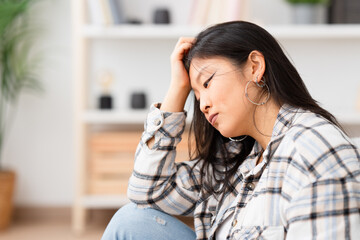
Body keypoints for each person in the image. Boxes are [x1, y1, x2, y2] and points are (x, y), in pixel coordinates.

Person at [101, 21, 360, 240]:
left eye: (208, 82)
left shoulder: (313, 151)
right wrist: (177, 90)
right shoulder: (240, 156)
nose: (202, 104)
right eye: (196, 94)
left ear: (255, 67)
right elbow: (148, 190)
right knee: (130, 221)